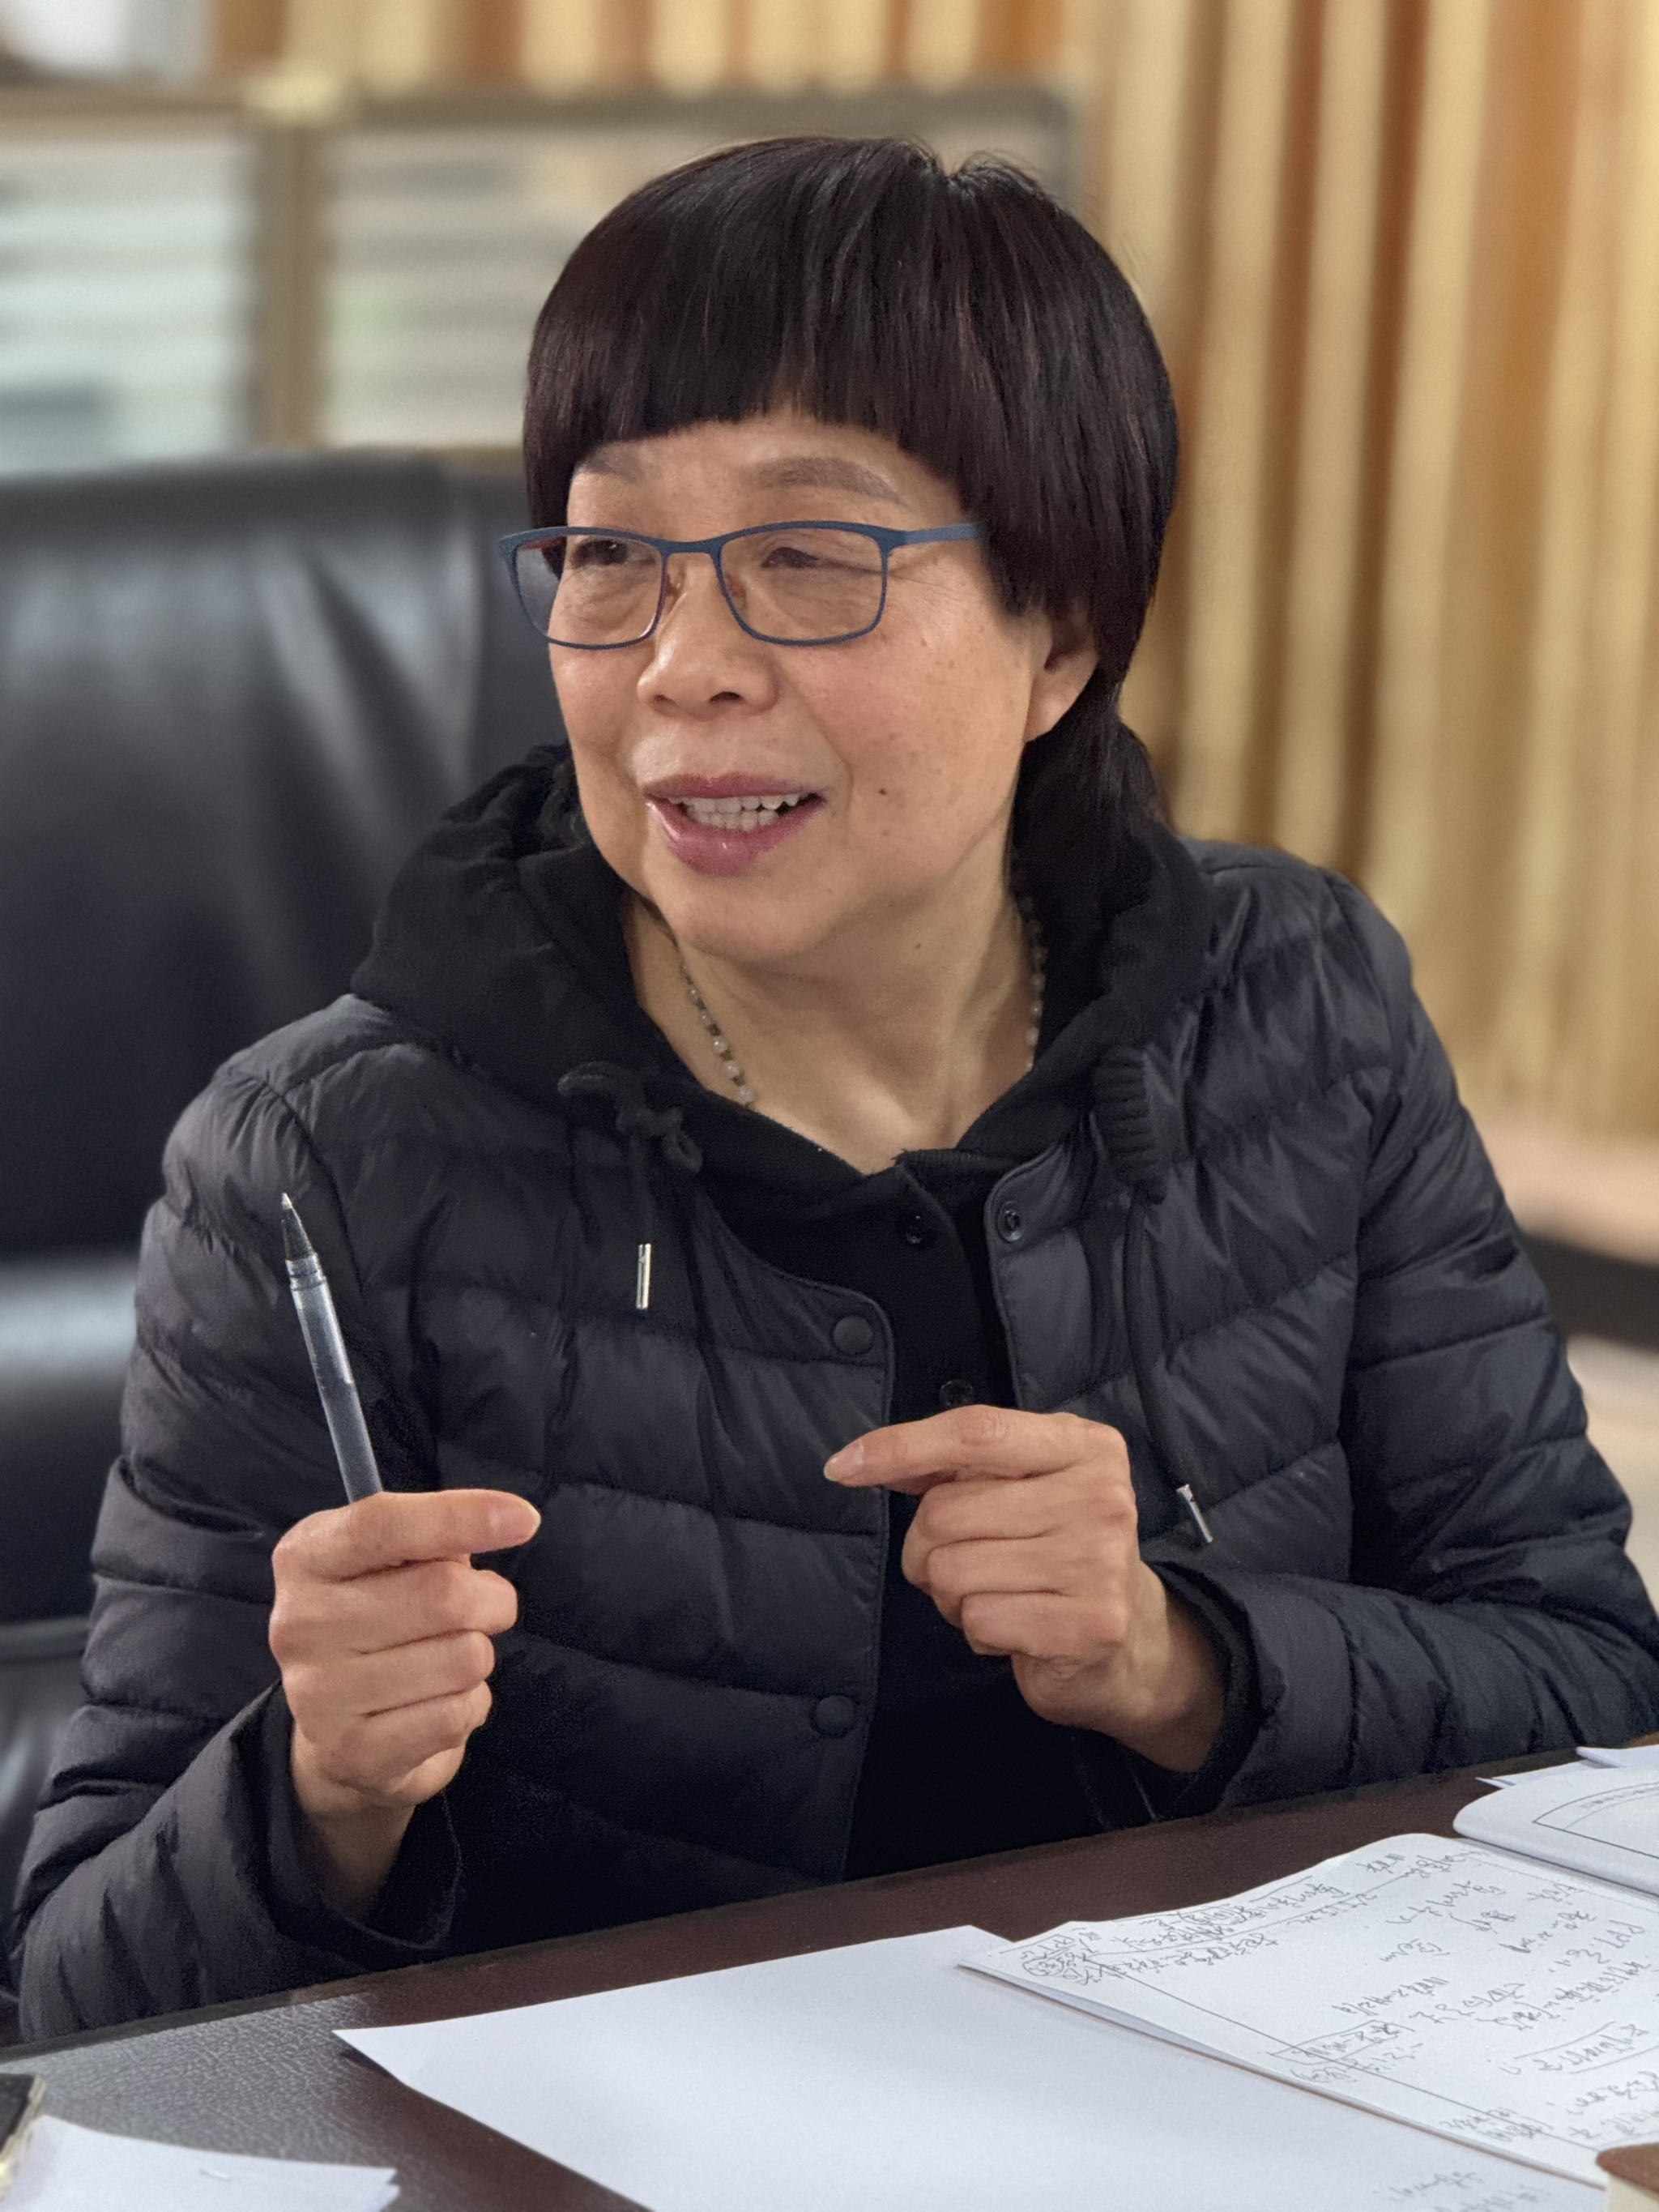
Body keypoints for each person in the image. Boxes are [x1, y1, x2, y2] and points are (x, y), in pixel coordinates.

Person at [15, 137, 1659, 2036]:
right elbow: (70, 2000)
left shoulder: (1295, 1006)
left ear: (1059, 638)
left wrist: (1180, 1662)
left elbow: (1586, 1687)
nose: (680, 669)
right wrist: (319, 1800)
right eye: (611, 556)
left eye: (809, 557)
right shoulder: (324, 1159)